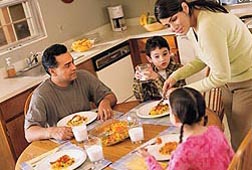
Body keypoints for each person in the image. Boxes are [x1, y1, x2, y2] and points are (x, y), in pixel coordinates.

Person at [154, 0, 252, 151]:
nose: (173, 28)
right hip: (230, 81)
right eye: (168, 25)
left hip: (247, 80)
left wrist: (183, 92)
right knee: (236, 136)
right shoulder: (193, 24)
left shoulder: (208, 25)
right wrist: (175, 76)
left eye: (174, 19)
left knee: (243, 141)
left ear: (184, 7)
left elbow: (220, 76)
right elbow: (202, 58)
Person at [24, 44, 117, 142]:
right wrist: (52, 132)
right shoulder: (41, 94)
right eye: (67, 65)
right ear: (53, 72)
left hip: (92, 136)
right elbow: (29, 133)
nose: (74, 67)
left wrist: (105, 102)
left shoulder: (84, 77)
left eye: (72, 62)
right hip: (65, 143)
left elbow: (110, 96)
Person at [139, 87, 234, 170]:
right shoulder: (215, 131)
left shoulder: (184, 152)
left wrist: (149, 159)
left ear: (175, 118)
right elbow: (231, 157)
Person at [132, 36, 185, 102]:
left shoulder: (178, 69)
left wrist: (157, 78)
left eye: (165, 54)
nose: (162, 59)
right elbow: (141, 99)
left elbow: (172, 97)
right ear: (149, 59)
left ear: (169, 52)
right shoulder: (148, 72)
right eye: (157, 56)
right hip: (156, 108)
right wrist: (138, 81)